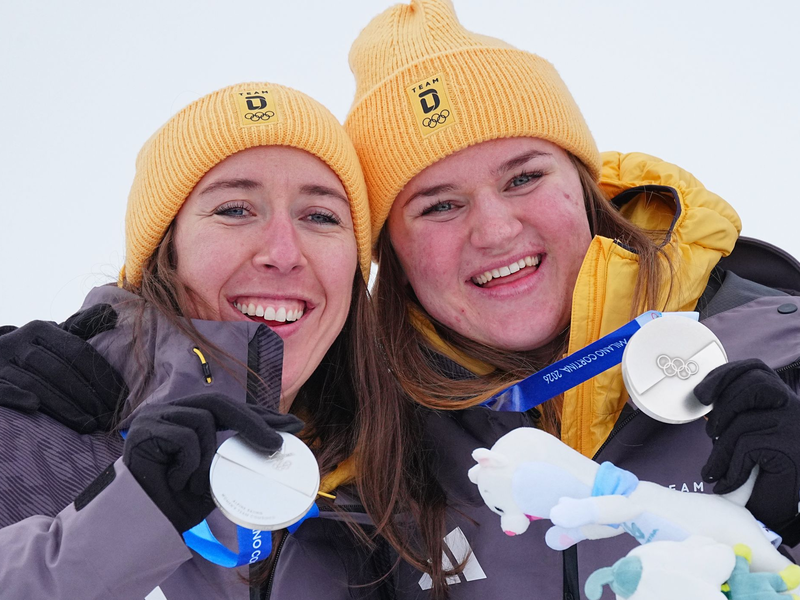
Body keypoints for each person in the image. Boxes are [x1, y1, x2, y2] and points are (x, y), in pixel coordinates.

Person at [342, 0, 800, 597]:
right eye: (440, 206)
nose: (498, 231)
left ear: (584, 187)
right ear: (391, 254)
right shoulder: (368, 444)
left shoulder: (785, 360)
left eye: (523, 178)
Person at [0, 81, 415, 599]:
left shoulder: (402, 486)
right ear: (164, 250)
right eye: (235, 209)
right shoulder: (27, 439)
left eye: (320, 216)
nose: (284, 252)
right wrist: (124, 522)